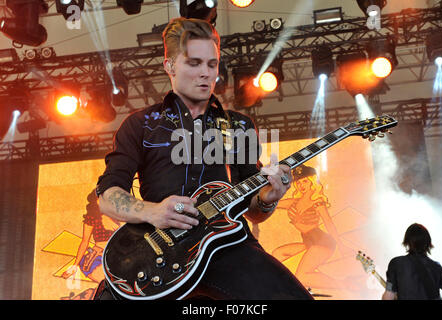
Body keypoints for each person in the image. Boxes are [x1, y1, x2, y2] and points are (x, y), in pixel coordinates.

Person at [93, 17, 312, 300]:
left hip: (226, 247)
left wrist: (269, 200)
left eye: (212, 64)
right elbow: (108, 195)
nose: (206, 73)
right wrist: (152, 211)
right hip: (153, 253)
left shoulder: (238, 126)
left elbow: (253, 208)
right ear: (169, 65)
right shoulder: (141, 124)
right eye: (194, 63)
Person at [272, 165, 355, 291]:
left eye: (304, 181)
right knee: (278, 253)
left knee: (302, 277)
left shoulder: (317, 202)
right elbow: (272, 202)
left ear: (312, 181)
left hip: (322, 243)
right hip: (309, 243)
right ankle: (276, 287)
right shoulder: (293, 201)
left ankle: (344, 286)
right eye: (298, 182)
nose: (301, 185)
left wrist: (341, 245)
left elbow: (329, 223)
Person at [382, 223, 442, 300]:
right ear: (428, 243)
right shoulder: (438, 267)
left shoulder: (396, 264)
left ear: (407, 242)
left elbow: (388, 296)